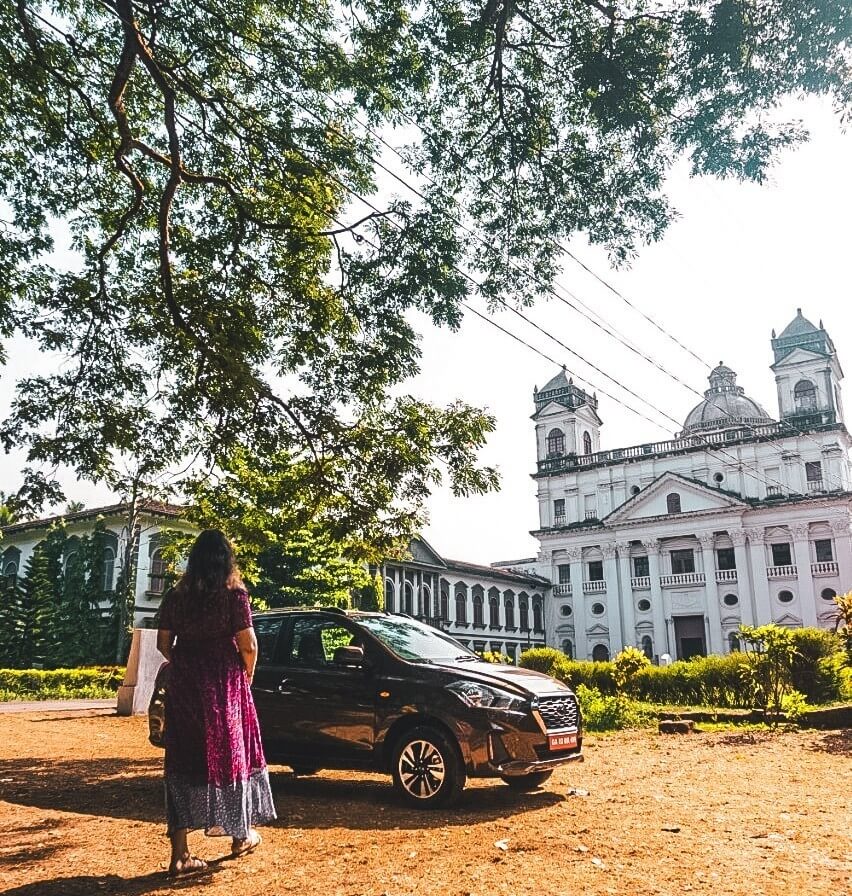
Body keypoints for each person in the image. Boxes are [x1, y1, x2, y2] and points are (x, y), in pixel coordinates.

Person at [156, 529, 276, 876]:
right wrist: (246, 674)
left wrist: (186, 660)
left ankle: (180, 854)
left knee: (182, 760)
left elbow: (164, 643)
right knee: (232, 756)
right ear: (227, 560)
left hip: (186, 688)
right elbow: (249, 644)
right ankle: (240, 835)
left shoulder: (177, 596)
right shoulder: (233, 596)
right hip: (224, 687)